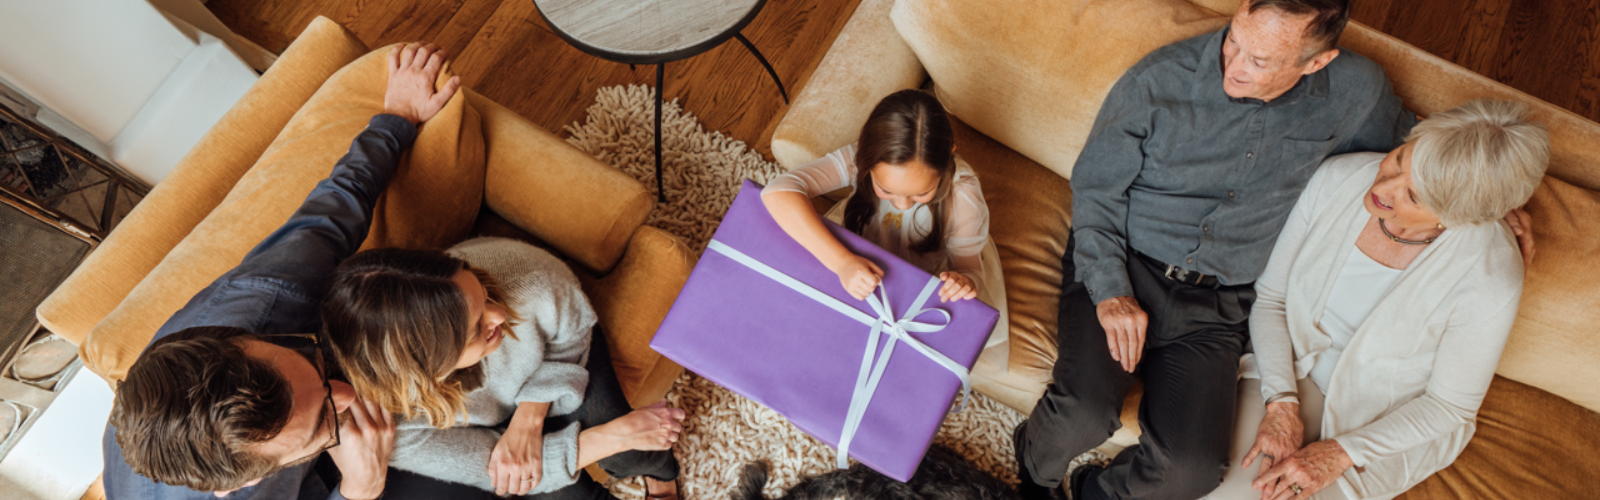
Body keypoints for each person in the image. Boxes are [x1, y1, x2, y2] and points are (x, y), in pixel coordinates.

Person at [1011, 1, 1537, 500]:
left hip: (1218, 305)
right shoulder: (1158, 81)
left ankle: (1094, 492)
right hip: (1126, 265)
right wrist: (1110, 292)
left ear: (1318, 61)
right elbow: (1096, 189)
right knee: (1083, 410)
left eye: (1259, 60)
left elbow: (1429, 151)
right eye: (1233, 39)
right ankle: (1034, 470)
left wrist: (1488, 203)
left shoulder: (1356, 92)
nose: (1231, 65)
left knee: (1189, 470)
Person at [104, 42, 461, 500]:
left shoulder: (266, 296)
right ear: (249, 483)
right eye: (320, 425)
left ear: (239, 337)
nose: (348, 398)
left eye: (309, 364)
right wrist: (361, 485)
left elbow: (331, 214)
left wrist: (396, 119)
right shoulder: (247, 491)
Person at [1203, 99, 1548, 500]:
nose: (1382, 188)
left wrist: (1337, 454)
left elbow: (1448, 407)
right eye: (1399, 160)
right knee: (1219, 490)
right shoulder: (1339, 179)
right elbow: (1272, 300)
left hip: (1388, 420)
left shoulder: (1491, 273)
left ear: (1456, 216)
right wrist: (1281, 404)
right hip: (1289, 374)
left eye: (1414, 197)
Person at [320, 238, 686, 500]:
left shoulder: (525, 280)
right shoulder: (389, 423)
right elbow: (495, 470)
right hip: (481, 423)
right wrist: (611, 436)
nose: (500, 315)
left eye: (483, 294)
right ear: (428, 370)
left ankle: (663, 477)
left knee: (631, 451)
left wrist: (531, 415)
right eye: (477, 327)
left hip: (554, 361)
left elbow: (572, 333)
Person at [761, 89, 1008, 348]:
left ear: (949, 157)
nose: (902, 204)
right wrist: (842, 262)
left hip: (921, 275)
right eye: (887, 191)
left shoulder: (963, 197)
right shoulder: (862, 158)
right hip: (855, 252)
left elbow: (969, 269)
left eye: (922, 193)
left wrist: (964, 282)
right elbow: (777, 192)